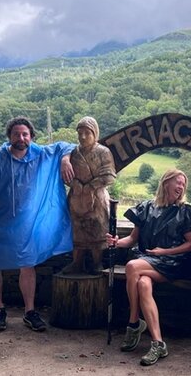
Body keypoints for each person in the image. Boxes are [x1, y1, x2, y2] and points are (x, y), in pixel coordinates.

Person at [0, 116, 75, 332]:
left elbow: (66, 145)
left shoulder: (41, 154)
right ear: (9, 137)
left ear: (32, 137)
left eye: (25, 134)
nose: (21, 138)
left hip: (26, 225)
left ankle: (30, 312)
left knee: (28, 264)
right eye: (16, 134)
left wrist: (65, 159)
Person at [106, 168, 191, 366]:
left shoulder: (184, 211)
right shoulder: (146, 208)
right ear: (166, 183)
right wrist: (116, 242)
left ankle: (133, 323)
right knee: (143, 285)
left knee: (132, 266)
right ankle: (158, 343)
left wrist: (163, 252)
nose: (181, 187)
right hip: (148, 260)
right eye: (178, 182)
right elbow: (132, 239)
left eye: (184, 184)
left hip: (174, 262)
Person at [62, 116, 116, 275]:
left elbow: (110, 175)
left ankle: (96, 262)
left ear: (95, 134)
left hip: (97, 198)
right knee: (77, 230)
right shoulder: (72, 152)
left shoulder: (103, 152)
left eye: (87, 133)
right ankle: (76, 262)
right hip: (76, 197)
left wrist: (92, 185)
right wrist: (75, 184)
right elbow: (65, 174)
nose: (83, 137)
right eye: (80, 133)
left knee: (97, 228)